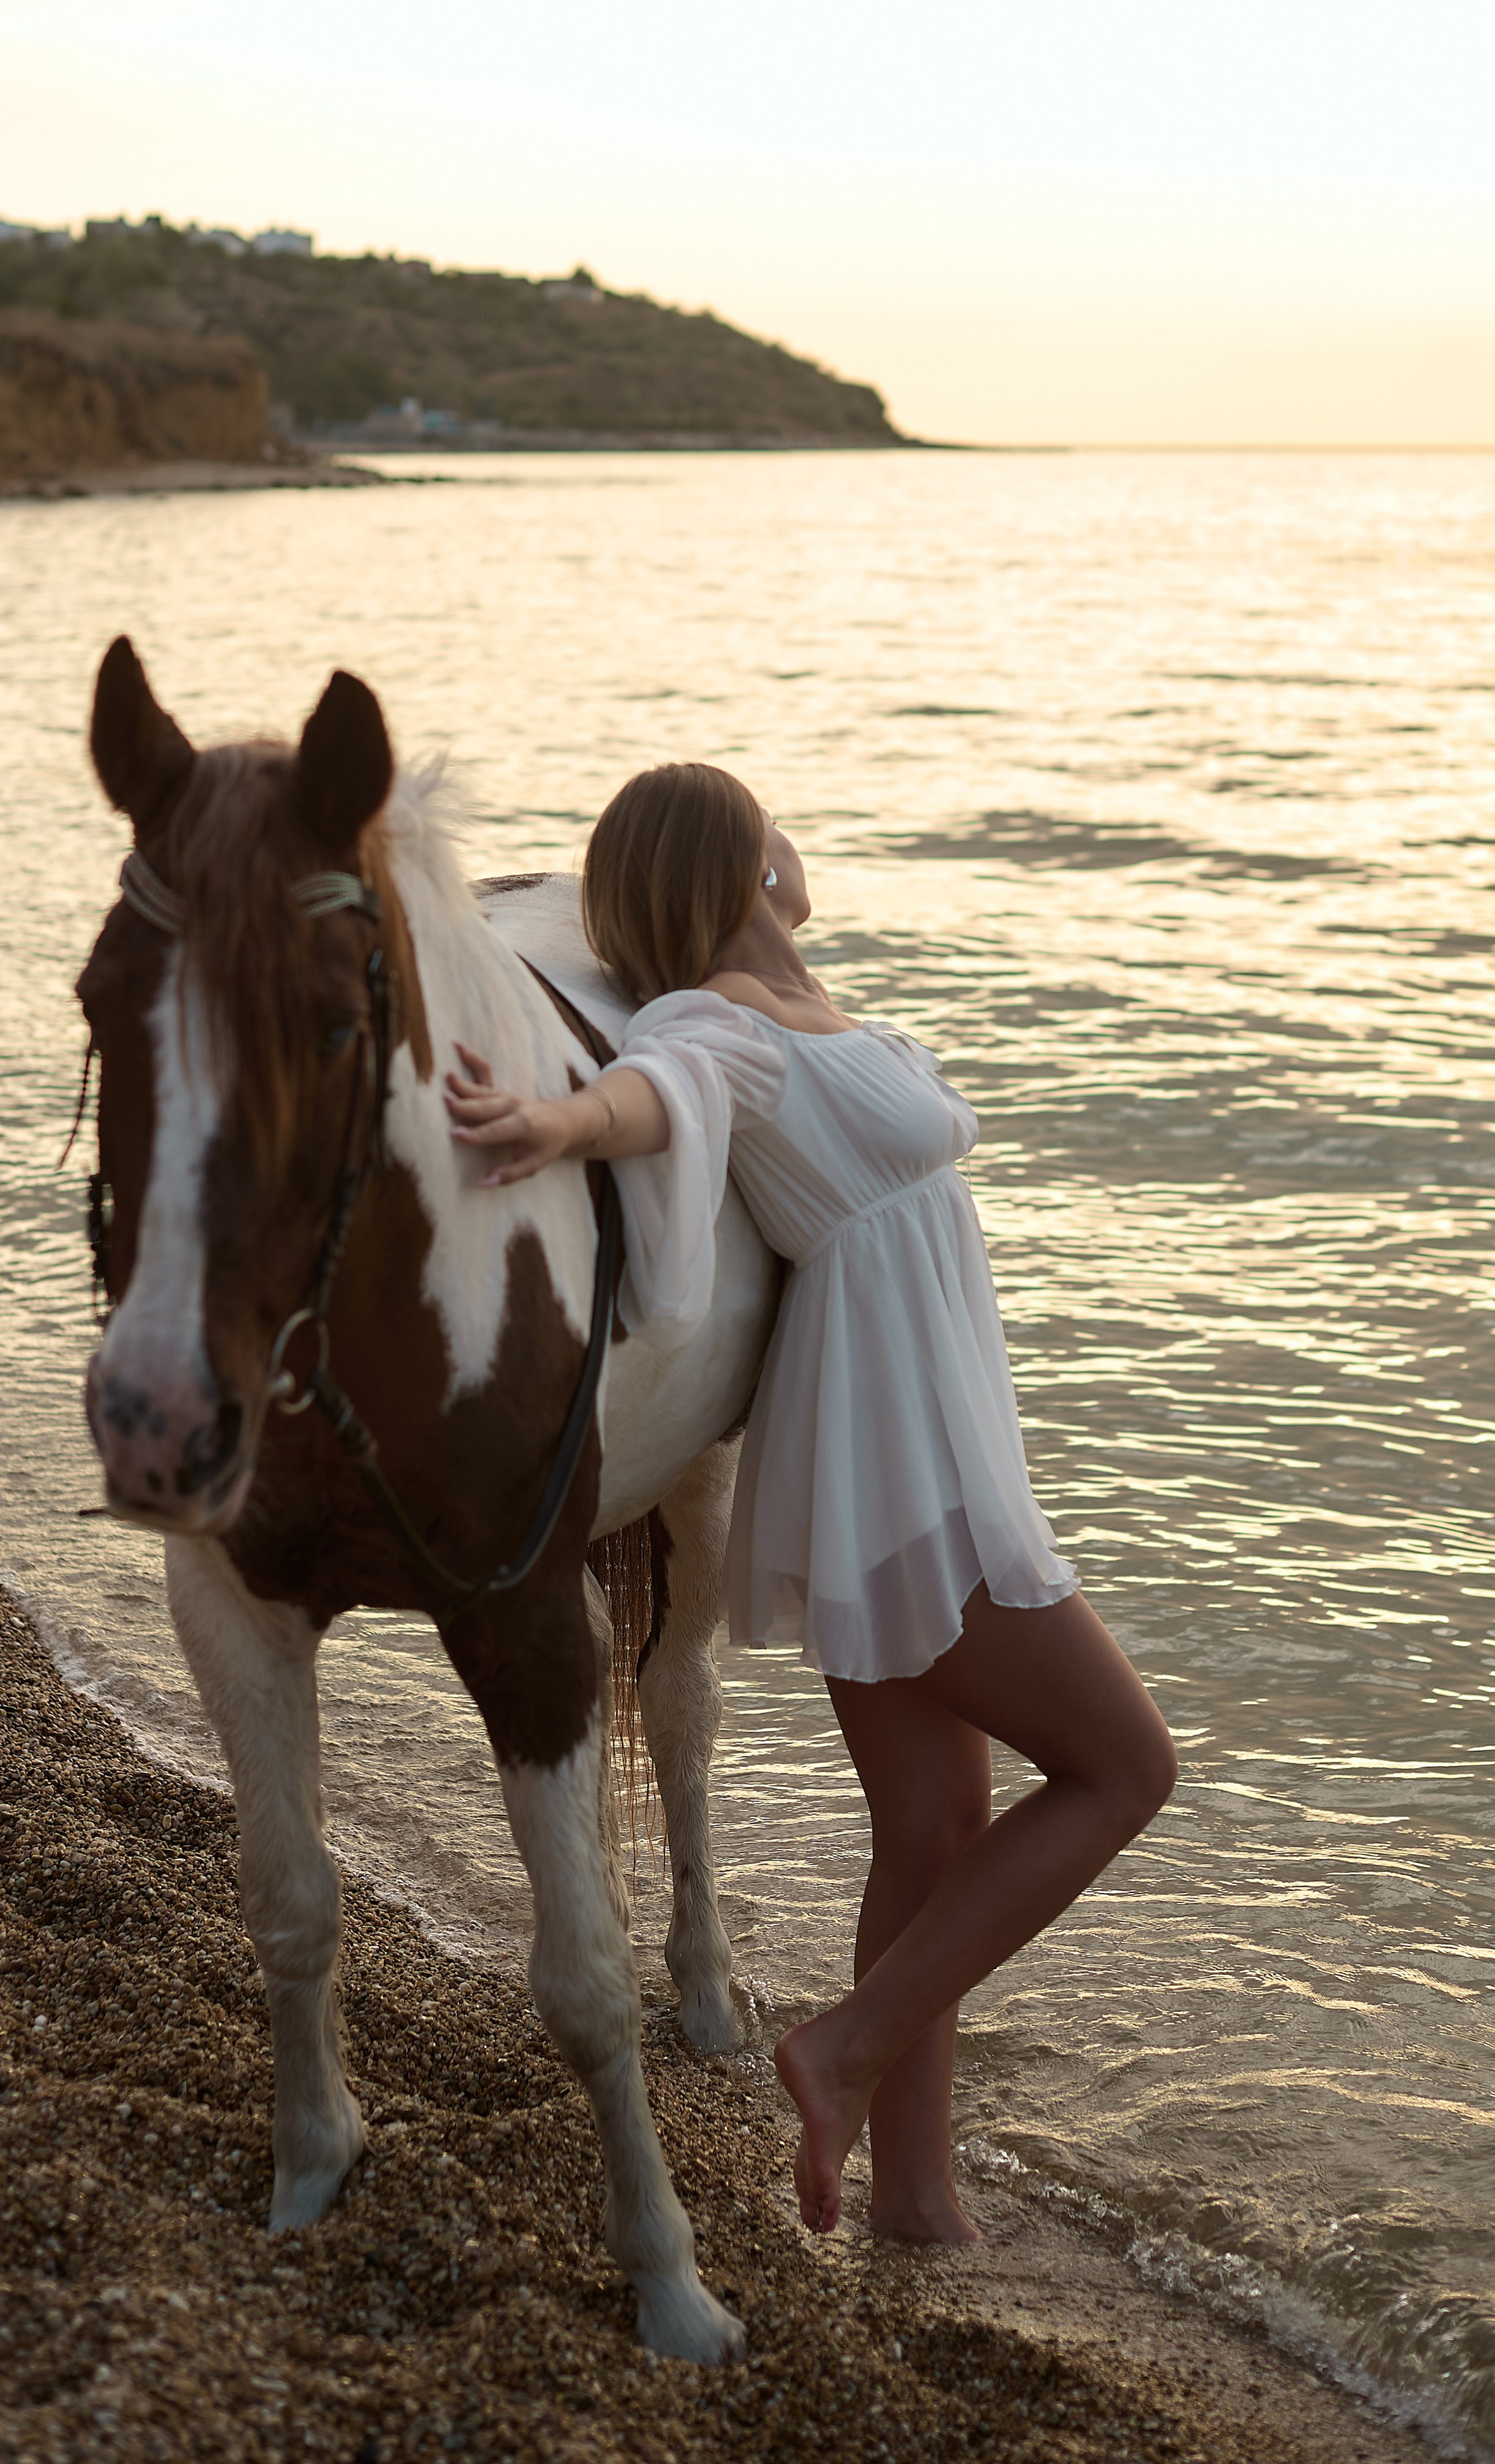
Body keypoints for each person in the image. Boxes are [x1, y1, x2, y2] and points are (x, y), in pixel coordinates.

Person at [445, 763, 1176, 2243]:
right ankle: (837, 2052)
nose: (794, 835)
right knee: (1123, 1770)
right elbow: (653, 1096)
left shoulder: (811, 1006)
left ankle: (915, 2201)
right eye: (764, 815)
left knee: (930, 1826)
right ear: (730, 862)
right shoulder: (713, 1021)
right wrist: (560, 1125)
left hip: (923, 1434)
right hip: (895, 1459)